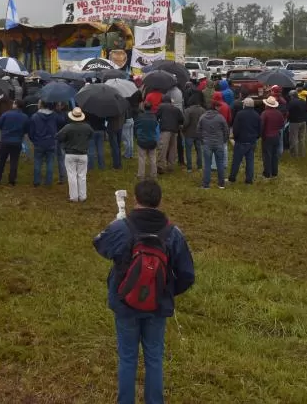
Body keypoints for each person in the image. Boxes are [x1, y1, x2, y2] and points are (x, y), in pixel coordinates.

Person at [93, 180, 196, 404]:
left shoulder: (121, 227)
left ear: (136, 200)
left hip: (125, 303)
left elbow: (100, 245)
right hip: (158, 306)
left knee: (128, 358)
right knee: (154, 358)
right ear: (160, 201)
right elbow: (188, 275)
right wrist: (166, 290)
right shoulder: (173, 233)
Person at [57, 108, 94, 202]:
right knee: (82, 176)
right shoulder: (87, 127)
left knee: (71, 175)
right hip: (83, 154)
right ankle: (83, 196)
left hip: (70, 154)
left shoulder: (68, 127)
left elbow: (58, 136)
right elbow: (91, 135)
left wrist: (66, 140)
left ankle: (73, 197)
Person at [0, 100, 29, 186]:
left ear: (16, 105)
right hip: (17, 141)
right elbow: (26, 129)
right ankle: (12, 180)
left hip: (5, 140)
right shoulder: (25, 117)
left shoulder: (6, 114)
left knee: (1, 160)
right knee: (14, 161)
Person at [198, 100, 229, 189]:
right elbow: (226, 130)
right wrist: (224, 140)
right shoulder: (220, 117)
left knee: (207, 164)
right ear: (215, 107)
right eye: (218, 106)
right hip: (219, 143)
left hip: (207, 144)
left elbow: (198, 130)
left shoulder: (203, 117)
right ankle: (221, 184)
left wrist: (202, 141)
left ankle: (206, 185)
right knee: (220, 163)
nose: (220, 108)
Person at [229, 97, 260, 185]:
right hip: (252, 142)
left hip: (241, 141)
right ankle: (249, 180)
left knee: (236, 161)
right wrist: (256, 137)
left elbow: (235, 128)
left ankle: (232, 178)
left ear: (245, 105)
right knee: (250, 161)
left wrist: (235, 138)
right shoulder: (256, 115)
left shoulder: (239, 114)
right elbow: (259, 129)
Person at [28, 101, 59, 186]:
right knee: (50, 162)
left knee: (37, 162)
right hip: (51, 142)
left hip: (39, 142)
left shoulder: (34, 116)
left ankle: (36, 181)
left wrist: (34, 140)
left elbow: (31, 132)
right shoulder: (54, 115)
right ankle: (48, 182)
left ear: (41, 105)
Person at [260, 96, 286, 179]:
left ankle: (267, 173)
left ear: (267, 105)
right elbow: (282, 124)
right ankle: (274, 172)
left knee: (267, 155)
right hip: (276, 136)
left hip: (267, 137)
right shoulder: (279, 113)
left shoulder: (265, 113)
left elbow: (261, 126)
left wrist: (260, 134)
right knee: (275, 155)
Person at [156, 97, 183, 174]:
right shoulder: (176, 109)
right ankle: (171, 166)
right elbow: (181, 120)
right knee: (173, 149)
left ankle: (161, 166)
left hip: (165, 130)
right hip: (175, 130)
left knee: (163, 148)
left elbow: (156, 116)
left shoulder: (161, 106)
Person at [134, 103, 160, 181]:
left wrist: (137, 136)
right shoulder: (154, 117)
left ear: (144, 108)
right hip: (152, 140)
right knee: (153, 158)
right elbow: (156, 127)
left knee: (142, 158)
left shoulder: (140, 117)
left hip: (142, 140)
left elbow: (136, 127)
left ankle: (141, 175)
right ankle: (153, 175)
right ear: (151, 108)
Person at [181, 95, 204, 173]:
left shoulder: (188, 110)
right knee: (199, 150)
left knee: (188, 151)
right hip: (199, 134)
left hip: (189, 133)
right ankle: (200, 167)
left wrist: (183, 129)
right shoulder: (202, 110)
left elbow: (186, 123)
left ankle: (189, 168)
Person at [286, 91, 307, 158]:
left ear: (292, 96)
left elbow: (287, 112)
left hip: (294, 122)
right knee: (302, 138)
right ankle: (302, 154)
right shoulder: (303, 101)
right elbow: (306, 110)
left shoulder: (291, 102)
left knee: (294, 138)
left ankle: (294, 155)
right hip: (303, 121)